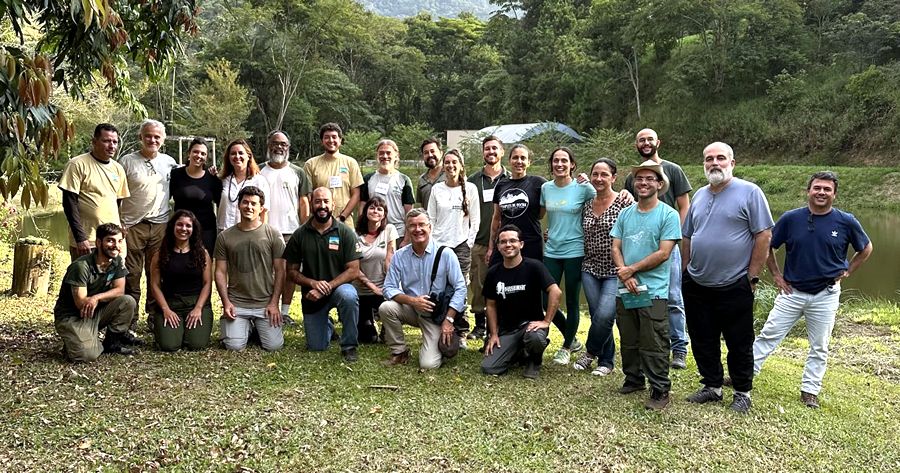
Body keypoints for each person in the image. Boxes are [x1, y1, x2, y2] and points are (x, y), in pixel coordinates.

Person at [753, 171, 872, 408]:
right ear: (808, 191)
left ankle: (810, 391)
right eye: (817, 188)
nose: (821, 192)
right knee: (768, 336)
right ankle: (742, 376)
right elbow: (768, 247)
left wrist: (848, 270)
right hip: (791, 292)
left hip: (825, 294)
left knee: (819, 346)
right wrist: (776, 275)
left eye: (827, 189)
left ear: (834, 195)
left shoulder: (846, 221)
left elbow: (866, 248)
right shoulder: (790, 219)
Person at [682, 142, 774, 413]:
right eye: (709, 159)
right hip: (697, 282)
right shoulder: (699, 194)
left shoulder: (750, 192)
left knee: (739, 341)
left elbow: (764, 235)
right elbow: (688, 235)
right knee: (702, 337)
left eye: (721, 158)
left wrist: (752, 276)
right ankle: (712, 386)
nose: (714, 163)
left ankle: (743, 392)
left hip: (734, 284)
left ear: (732, 163)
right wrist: (686, 269)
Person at [611, 160, 681, 410]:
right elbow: (616, 246)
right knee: (629, 337)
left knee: (654, 340)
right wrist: (625, 274)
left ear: (659, 184)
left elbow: (664, 253)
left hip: (654, 291)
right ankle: (633, 379)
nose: (643, 183)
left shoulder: (668, 215)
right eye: (639, 179)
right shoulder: (625, 213)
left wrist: (633, 269)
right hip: (626, 286)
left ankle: (660, 389)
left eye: (650, 179)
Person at [623, 128, 693, 370]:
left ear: (658, 142)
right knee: (639, 294)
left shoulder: (672, 170)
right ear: (636, 144)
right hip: (638, 245)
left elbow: (684, 206)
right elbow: (629, 205)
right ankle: (646, 347)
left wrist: (677, 238)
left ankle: (679, 348)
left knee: (672, 297)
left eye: (649, 139)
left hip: (667, 245)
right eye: (641, 140)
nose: (645, 143)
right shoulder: (635, 175)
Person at [380, 209, 467, 369]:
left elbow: (461, 288)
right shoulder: (399, 256)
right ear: (407, 229)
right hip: (412, 309)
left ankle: (442, 339)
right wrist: (413, 301)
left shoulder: (446, 254)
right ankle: (400, 352)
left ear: (430, 227)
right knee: (386, 308)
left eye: (421, 225)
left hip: (436, 315)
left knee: (428, 364)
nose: (417, 229)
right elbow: (388, 288)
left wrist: (449, 320)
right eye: (412, 226)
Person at [283, 187, 362, 361]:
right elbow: (291, 272)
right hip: (312, 295)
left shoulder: (345, 233)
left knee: (349, 296)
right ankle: (328, 327)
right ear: (311, 204)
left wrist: (326, 287)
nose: (322, 205)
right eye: (318, 201)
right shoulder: (300, 235)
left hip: (339, 289)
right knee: (316, 347)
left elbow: (354, 270)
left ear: (333, 204)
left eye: (326, 201)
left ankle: (349, 346)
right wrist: (313, 284)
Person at [118, 119, 180, 331]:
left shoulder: (169, 162)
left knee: (156, 272)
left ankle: (154, 316)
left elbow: (189, 175)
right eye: (148, 136)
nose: (152, 140)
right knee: (131, 274)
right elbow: (116, 194)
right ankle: (130, 319)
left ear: (162, 139)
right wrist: (118, 222)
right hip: (131, 226)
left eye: (157, 137)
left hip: (160, 225)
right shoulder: (126, 161)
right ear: (141, 137)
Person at [573, 159, 632, 376]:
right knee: (598, 314)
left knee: (606, 315)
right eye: (595, 174)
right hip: (589, 267)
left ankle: (590, 353)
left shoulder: (624, 203)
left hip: (615, 269)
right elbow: (576, 229)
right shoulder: (587, 205)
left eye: (604, 174)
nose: (599, 179)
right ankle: (606, 362)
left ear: (613, 178)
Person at [481, 225, 562, 379]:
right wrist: (493, 334)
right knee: (489, 367)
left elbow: (555, 291)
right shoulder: (493, 272)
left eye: (513, 241)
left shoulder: (534, 266)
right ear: (498, 246)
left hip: (531, 327)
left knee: (535, 338)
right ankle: (519, 352)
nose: (508, 245)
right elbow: (490, 305)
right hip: (507, 330)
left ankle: (534, 359)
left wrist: (546, 321)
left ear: (521, 244)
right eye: (503, 242)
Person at [54, 223, 141, 362]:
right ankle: (77, 341)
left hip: (94, 311)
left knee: (127, 301)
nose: (116, 245)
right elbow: (81, 303)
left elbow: (119, 290)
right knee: (87, 355)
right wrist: (94, 300)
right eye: (110, 240)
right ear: (99, 242)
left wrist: (96, 298)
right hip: (72, 316)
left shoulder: (117, 261)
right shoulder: (81, 266)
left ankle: (111, 344)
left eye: (119, 241)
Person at [541, 147, 595, 364]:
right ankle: (570, 337)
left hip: (575, 250)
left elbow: (606, 199)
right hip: (552, 250)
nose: (560, 164)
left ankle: (565, 347)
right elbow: (542, 215)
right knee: (546, 299)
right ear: (551, 164)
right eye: (556, 161)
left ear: (572, 164)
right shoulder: (546, 188)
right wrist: (546, 233)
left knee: (572, 300)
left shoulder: (583, 189)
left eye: (564, 161)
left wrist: (590, 182)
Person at [214, 186, 286, 352]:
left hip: (265, 303)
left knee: (274, 346)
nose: (249, 207)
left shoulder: (273, 234)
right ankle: (244, 326)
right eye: (245, 202)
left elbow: (281, 270)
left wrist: (274, 303)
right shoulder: (225, 236)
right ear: (238, 205)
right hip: (237, 303)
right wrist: (226, 303)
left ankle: (254, 327)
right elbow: (219, 272)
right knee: (234, 346)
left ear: (261, 208)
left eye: (254, 203)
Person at [259, 130, 312, 325]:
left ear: (288, 148)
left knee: (290, 272)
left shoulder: (298, 172)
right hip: (265, 231)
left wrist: (304, 229)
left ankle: (285, 311)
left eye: (283, 144)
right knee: (266, 272)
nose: (279, 147)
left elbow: (304, 201)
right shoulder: (258, 170)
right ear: (268, 145)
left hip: (292, 231)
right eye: (275, 143)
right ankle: (266, 308)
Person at [427, 148, 480, 343]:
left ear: (461, 165)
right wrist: (431, 244)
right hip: (439, 245)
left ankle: (461, 330)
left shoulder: (471, 189)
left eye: (454, 162)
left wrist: (468, 243)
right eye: (447, 162)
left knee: (460, 287)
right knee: (440, 285)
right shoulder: (436, 189)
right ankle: (439, 322)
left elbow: (475, 221)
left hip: (461, 245)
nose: (450, 166)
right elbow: (430, 219)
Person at [58, 123, 130, 260]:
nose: (112, 146)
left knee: (114, 279)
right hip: (88, 239)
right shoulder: (77, 164)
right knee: (86, 279)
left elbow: (118, 202)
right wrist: (80, 237)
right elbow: (69, 204)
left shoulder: (118, 169)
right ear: (94, 141)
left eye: (115, 142)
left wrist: (120, 230)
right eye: (106, 141)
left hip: (113, 239)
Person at [148, 210, 213, 351]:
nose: (183, 229)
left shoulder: (202, 253)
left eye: (188, 226)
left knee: (196, 345)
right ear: (172, 227)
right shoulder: (160, 254)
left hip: (195, 303)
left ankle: (186, 331)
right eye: (179, 225)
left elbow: (208, 283)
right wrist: (165, 309)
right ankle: (167, 329)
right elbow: (155, 285)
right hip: (170, 304)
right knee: (169, 345)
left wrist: (198, 308)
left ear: (193, 229)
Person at [467, 135, 508, 341]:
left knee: (503, 284)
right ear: (483, 153)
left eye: (495, 148)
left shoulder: (510, 179)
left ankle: (501, 323)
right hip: (479, 241)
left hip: (507, 244)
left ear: (502, 152)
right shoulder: (473, 180)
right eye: (487, 149)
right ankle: (479, 324)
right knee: (478, 284)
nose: (491, 152)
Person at [353, 196, 398, 343]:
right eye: (372, 207)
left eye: (380, 209)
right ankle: (368, 324)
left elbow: (390, 258)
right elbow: (355, 268)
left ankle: (387, 325)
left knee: (388, 338)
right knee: (367, 339)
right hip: (362, 290)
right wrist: (372, 287)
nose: (375, 211)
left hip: (383, 288)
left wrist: (390, 286)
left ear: (384, 214)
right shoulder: (355, 236)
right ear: (365, 211)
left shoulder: (389, 230)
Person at [303, 122, 363, 224]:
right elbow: (307, 196)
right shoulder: (311, 164)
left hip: (345, 223)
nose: (331, 140)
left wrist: (342, 217)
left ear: (340, 140)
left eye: (334, 137)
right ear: (322, 141)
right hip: (318, 223)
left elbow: (356, 194)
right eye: (327, 137)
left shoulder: (350, 163)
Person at [170, 137, 222, 253]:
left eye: (203, 153)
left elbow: (221, 204)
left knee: (204, 265)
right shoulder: (176, 175)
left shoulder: (212, 179)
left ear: (206, 157)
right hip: (181, 230)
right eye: (195, 152)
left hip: (206, 231)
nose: (199, 156)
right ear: (189, 153)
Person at [358, 139, 414, 245]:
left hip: (398, 234)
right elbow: (362, 206)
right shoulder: (368, 179)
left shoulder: (404, 180)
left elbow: (409, 212)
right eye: (381, 153)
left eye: (388, 153)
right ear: (377, 156)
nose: (385, 156)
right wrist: (362, 231)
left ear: (396, 156)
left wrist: (407, 239)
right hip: (373, 233)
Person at [217, 139, 271, 231]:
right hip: (224, 232)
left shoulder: (259, 181)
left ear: (248, 156)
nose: (237, 156)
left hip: (248, 233)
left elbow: (264, 212)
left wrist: (261, 235)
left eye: (241, 153)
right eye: (233, 153)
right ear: (228, 157)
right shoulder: (223, 180)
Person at [416, 137, 445, 207]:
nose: (430, 155)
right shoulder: (422, 180)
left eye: (432, 151)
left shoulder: (450, 176)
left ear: (441, 153)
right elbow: (420, 206)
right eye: (426, 153)